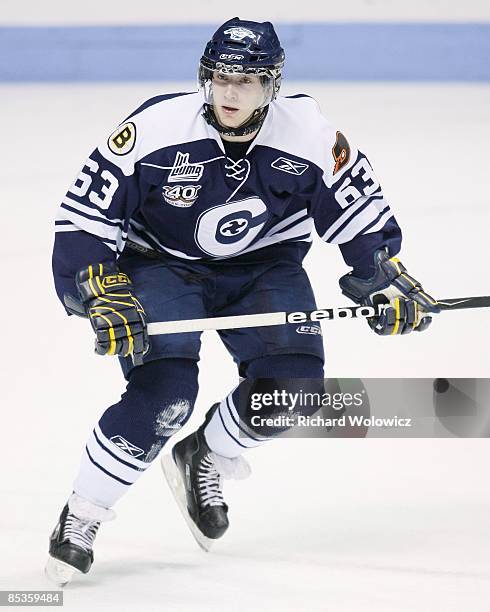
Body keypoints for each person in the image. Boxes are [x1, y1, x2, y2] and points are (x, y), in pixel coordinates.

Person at [47, 17, 439, 584]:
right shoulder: (155, 128)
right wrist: (94, 284)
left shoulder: (309, 134)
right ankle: (81, 514)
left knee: (296, 389)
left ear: (272, 83)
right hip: (161, 263)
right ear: (205, 76)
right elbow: (86, 215)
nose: (231, 93)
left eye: (248, 81)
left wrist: (381, 275)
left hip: (264, 267)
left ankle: (204, 453)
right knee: (166, 393)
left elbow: (361, 215)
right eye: (221, 78)